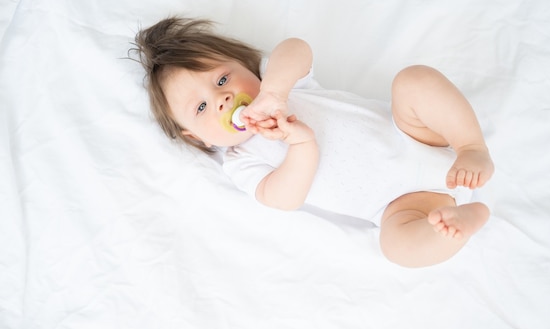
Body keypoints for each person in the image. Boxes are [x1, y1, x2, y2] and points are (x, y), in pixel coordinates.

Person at [133, 17, 494, 268]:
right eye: (201, 107)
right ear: (195, 137)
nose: (222, 99)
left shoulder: (280, 86)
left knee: (413, 81)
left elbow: (297, 48)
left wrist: (275, 91)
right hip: (402, 205)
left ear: (247, 66)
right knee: (396, 247)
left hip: (417, 135)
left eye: (223, 79)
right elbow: (283, 198)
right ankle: (459, 224)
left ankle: (471, 147)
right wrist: (301, 145)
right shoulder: (240, 160)